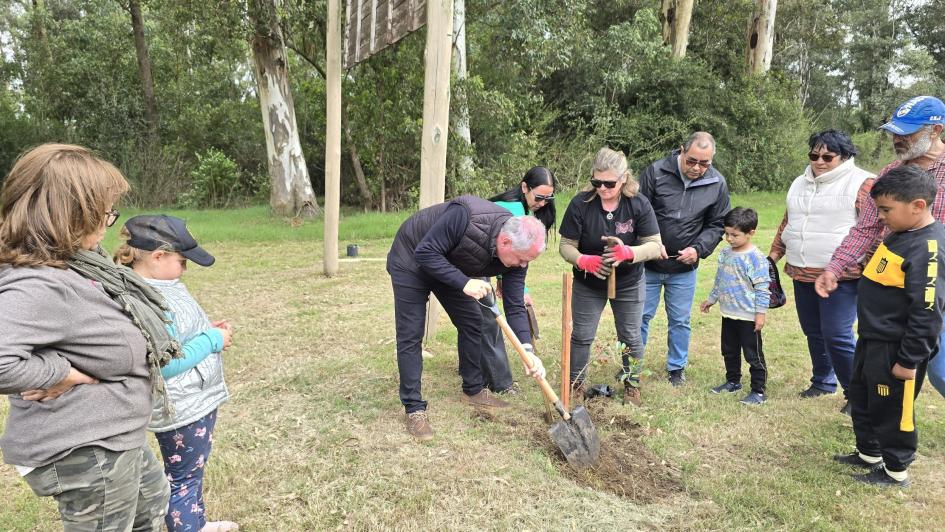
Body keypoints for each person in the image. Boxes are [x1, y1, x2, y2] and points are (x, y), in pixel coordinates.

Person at [0, 144, 172, 529]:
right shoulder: (37, 282)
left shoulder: (75, 264)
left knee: (153, 508)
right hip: (88, 448)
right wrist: (59, 373)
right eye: (106, 211)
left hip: (115, 436)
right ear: (71, 213)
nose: (110, 220)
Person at [387, 195, 547, 441]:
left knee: (473, 321)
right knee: (411, 333)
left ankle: (472, 390)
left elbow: (514, 304)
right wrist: (463, 283)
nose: (523, 265)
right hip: (412, 256)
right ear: (505, 241)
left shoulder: (517, 256)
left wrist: (527, 350)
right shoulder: (466, 217)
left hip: (449, 262)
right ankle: (414, 409)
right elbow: (425, 253)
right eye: (522, 259)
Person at [113, 215, 238, 532]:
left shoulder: (157, 287)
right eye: (183, 261)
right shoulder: (154, 299)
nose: (185, 269)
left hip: (191, 403)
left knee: (191, 472)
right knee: (183, 479)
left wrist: (203, 331)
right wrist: (211, 341)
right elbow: (165, 363)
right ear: (158, 257)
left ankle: (197, 523)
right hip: (184, 408)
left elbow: (174, 339)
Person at [815, 96, 945, 400]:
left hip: (933, 286)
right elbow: (866, 228)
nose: (897, 139)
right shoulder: (888, 174)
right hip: (890, 288)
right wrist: (835, 267)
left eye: (907, 132)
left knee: (939, 369)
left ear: (936, 130)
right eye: (895, 132)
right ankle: (884, 437)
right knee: (885, 366)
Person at [833, 165, 945, 488]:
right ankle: (869, 453)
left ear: (918, 206)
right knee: (863, 396)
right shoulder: (900, 233)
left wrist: (909, 360)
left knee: (893, 408)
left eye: (886, 210)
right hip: (872, 338)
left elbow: (927, 312)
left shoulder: (929, 249)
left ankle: (896, 470)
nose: (880, 217)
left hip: (897, 348)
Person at [769, 130, 875, 413]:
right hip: (802, 270)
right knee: (813, 331)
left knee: (837, 334)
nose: (819, 161)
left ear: (845, 156)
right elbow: (788, 221)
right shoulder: (799, 183)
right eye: (814, 155)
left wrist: (870, 268)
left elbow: (874, 229)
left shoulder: (863, 183)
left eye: (828, 156)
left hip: (841, 274)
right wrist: (774, 254)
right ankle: (823, 381)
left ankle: (858, 395)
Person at [559, 147, 663, 405]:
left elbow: (654, 245)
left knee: (630, 335)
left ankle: (631, 385)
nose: (602, 188)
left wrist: (628, 253)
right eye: (597, 182)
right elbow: (566, 246)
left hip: (629, 281)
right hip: (588, 283)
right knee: (582, 335)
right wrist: (583, 260)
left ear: (624, 178)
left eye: (609, 183)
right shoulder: (580, 204)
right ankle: (576, 384)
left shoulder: (638, 204)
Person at [639, 131, 731, 386]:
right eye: (692, 161)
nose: (697, 168)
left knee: (680, 320)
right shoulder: (655, 172)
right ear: (681, 150)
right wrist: (649, 243)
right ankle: (632, 365)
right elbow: (637, 210)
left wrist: (698, 249)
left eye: (705, 163)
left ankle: (676, 369)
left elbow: (717, 224)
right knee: (639, 317)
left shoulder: (717, 183)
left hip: (684, 268)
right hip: (648, 264)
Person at [479, 167, 557, 395]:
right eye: (539, 197)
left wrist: (515, 286)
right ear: (525, 188)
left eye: (548, 198)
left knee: (480, 316)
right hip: (473, 259)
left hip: (492, 261)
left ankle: (476, 370)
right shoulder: (512, 209)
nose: (543, 203)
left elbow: (515, 259)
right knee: (488, 317)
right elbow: (507, 249)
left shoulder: (523, 207)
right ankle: (499, 382)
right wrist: (517, 288)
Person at [700, 207, 770, 405]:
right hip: (728, 313)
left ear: (751, 233)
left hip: (748, 316)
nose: (729, 239)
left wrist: (760, 314)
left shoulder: (756, 258)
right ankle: (733, 381)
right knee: (729, 350)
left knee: (753, 355)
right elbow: (720, 280)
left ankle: (758, 391)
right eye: (727, 233)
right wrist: (711, 299)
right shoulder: (725, 253)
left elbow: (763, 288)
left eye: (735, 235)